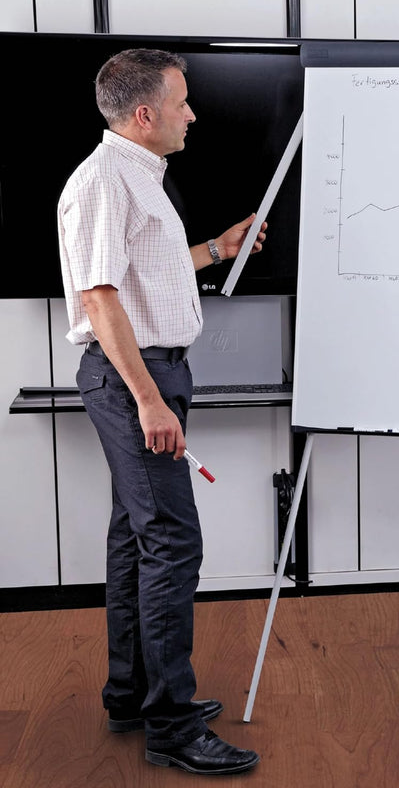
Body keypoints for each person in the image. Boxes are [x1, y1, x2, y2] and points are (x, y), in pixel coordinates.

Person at [57, 48, 266, 776]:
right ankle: (173, 726)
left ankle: (133, 695)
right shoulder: (104, 181)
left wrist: (217, 248)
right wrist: (149, 399)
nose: (192, 115)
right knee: (173, 543)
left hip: (150, 376)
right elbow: (99, 297)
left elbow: (145, 272)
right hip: (132, 382)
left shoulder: (139, 176)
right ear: (145, 114)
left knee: (135, 538)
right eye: (182, 103)